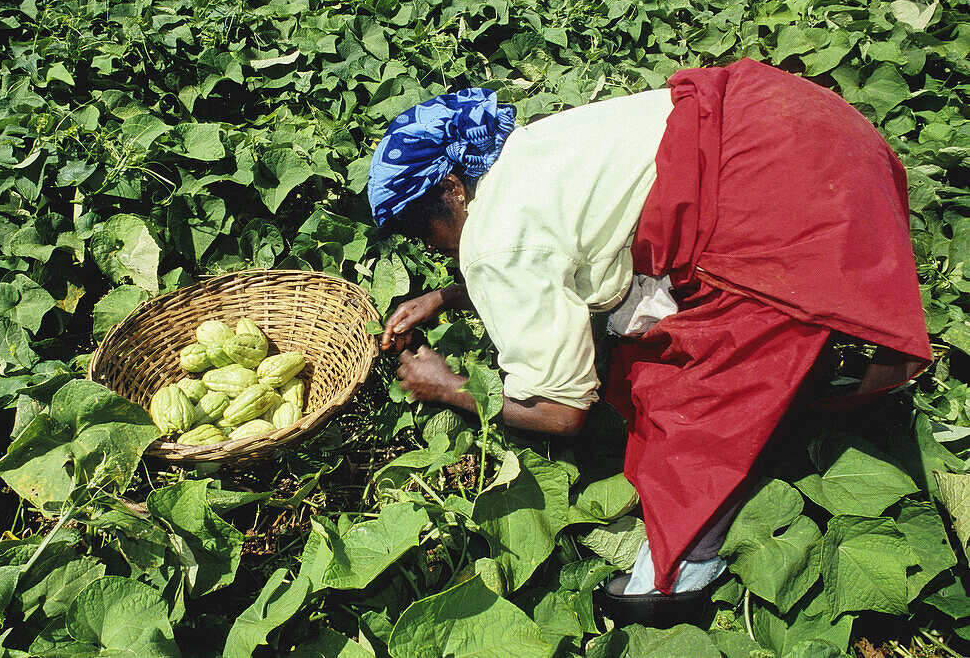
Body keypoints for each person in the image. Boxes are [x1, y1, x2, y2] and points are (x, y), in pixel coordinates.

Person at [365, 59, 931, 610]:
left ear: (456, 189)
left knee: (693, 398)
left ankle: (682, 572)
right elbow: (554, 248)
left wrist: (446, 386)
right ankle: (832, 349)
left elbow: (561, 413)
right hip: (793, 120)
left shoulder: (493, 246)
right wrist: (447, 296)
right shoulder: (520, 153)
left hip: (782, 190)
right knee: (659, 328)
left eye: (419, 225)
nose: (424, 243)